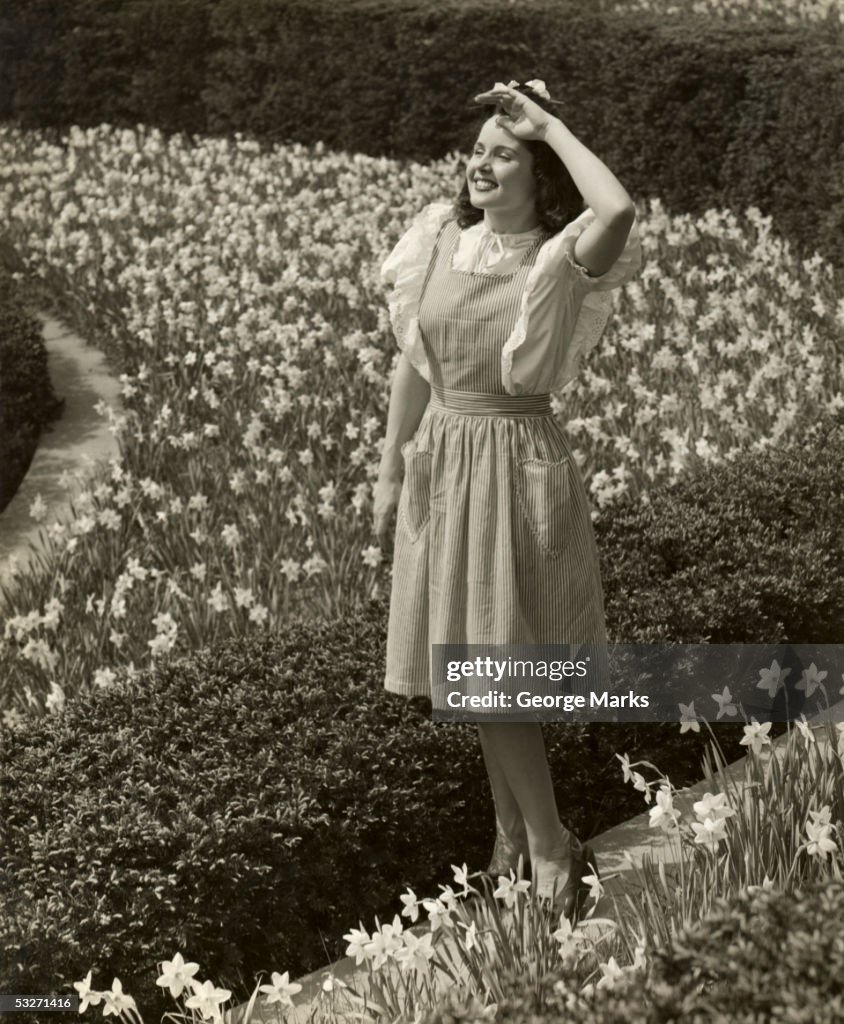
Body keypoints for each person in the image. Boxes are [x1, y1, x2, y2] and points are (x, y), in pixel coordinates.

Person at [372, 78, 643, 921]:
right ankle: (512, 842)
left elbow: (620, 208)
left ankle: (552, 846)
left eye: (504, 152)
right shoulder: (440, 242)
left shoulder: (558, 258)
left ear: (538, 174)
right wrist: (387, 471)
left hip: (516, 464)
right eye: (480, 149)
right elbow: (414, 360)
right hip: (446, 462)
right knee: (470, 672)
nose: (482, 163)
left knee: (496, 675)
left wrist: (552, 124)